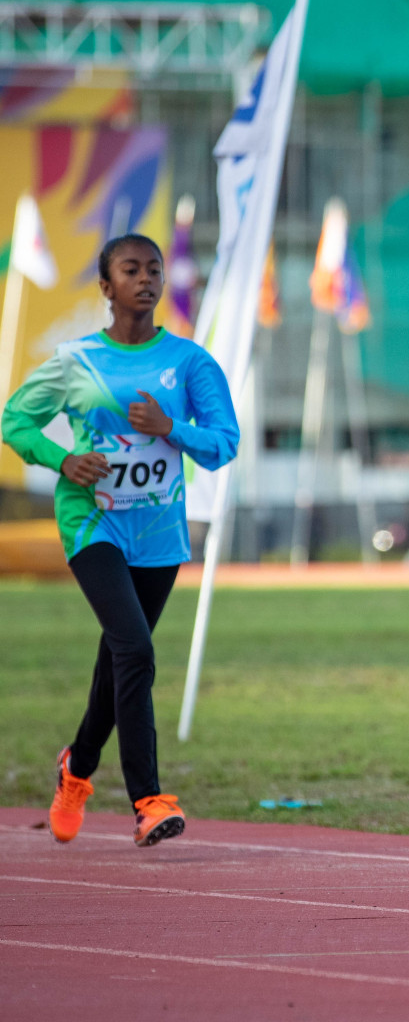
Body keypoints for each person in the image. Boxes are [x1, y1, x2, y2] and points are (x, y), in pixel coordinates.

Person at [1, 234, 239, 847]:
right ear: (106, 287)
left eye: (153, 269)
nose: (146, 279)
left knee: (119, 658)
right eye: (130, 270)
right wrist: (62, 459)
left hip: (159, 534)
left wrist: (172, 428)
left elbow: (224, 442)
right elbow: (14, 420)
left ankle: (76, 771)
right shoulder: (76, 360)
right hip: (92, 523)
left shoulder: (190, 363)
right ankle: (150, 800)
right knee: (135, 649)